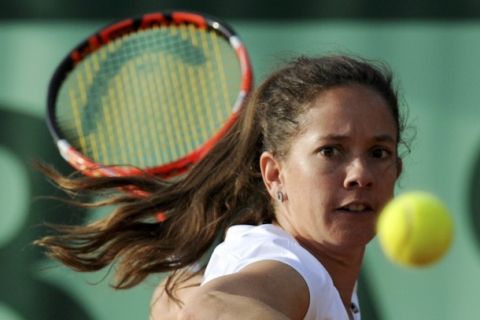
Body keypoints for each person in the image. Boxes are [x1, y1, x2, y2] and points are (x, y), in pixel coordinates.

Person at [36, 54, 408, 320]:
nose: (360, 174)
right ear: (274, 174)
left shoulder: (320, 276)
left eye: (379, 152)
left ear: (397, 170)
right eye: (331, 151)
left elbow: (195, 304)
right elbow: (214, 309)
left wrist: (178, 295)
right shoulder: (293, 268)